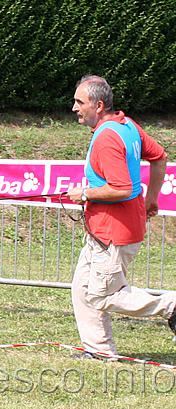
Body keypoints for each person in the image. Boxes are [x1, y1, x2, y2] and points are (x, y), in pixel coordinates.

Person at [66, 74, 173, 360]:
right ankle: (99, 350)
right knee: (82, 288)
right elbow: (160, 157)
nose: (75, 107)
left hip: (114, 232)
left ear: (98, 105)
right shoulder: (127, 125)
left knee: (102, 296)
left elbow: (122, 188)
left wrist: (86, 194)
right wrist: (152, 199)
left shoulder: (107, 138)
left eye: (80, 102)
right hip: (103, 230)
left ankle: (171, 306)